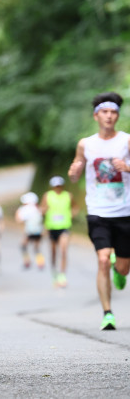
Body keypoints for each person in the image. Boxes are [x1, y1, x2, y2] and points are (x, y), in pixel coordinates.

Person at [68, 91, 130, 330]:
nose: (109, 116)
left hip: (124, 212)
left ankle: (119, 270)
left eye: (113, 112)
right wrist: (73, 173)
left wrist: (127, 167)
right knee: (102, 259)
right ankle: (107, 314)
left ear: (117, 116)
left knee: (123, 267)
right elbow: (75, 173)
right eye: (104, 111)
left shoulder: (126, 141)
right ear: (96, 116)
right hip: (98, 212)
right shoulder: (86, 144)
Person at [40, 176, 78, 287]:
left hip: (64, 226)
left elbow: (75, 207)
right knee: (53, 252)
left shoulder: (68, 195)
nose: (58, 188)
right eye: (56, 186)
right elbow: (42, 209)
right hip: (52, 227)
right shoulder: (47, 196)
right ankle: (54, 273)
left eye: (59, 186)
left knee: (63, 251)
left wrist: (71, 215)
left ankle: (62, 275)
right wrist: (44, 210)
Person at [15, 192, 44, 270]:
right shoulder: (37, 208)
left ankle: (27, 261)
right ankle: (40, 262)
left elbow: (19, 219)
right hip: (38, 231)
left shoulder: (26, 209)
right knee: (36, 247)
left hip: (29, 231)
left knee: (23, 246)